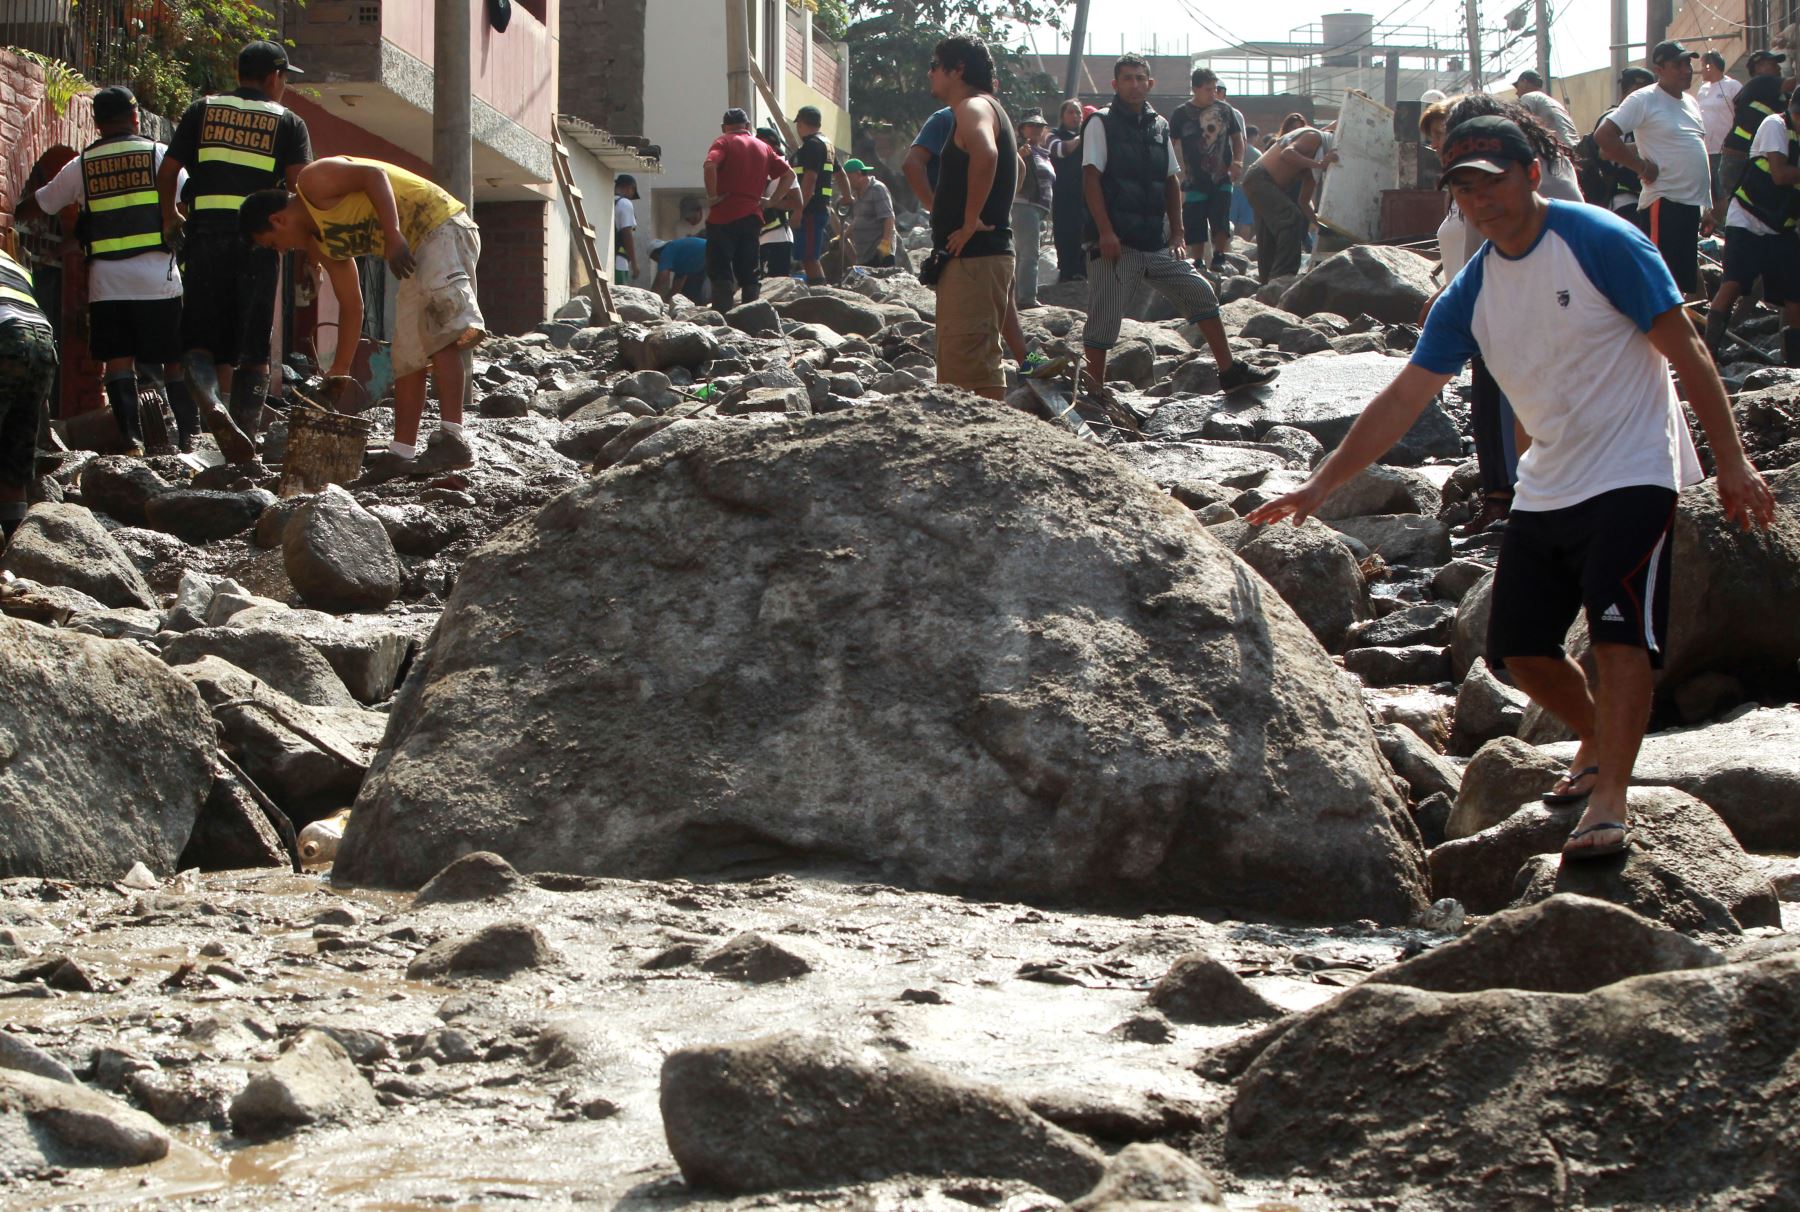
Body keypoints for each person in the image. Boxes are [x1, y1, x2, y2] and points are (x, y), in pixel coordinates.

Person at [1248, 115, 1776, 861]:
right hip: (1549, 480)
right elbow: (1406, 396)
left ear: (1532, 175)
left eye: (1492, 182)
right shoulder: (1472, 290)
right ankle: (1594, 732)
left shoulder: (1602, 241)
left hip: (1635, 469)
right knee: (1517, 652)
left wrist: (1731, 462)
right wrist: (1318, 486)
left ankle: (1610, 795)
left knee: (1621, 633)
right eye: (1464, 188)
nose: (1481, 201)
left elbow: (1687, 350)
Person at [239, 156, 485, 479]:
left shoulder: (312, 182)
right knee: (407, 356)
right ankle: (401, 453)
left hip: (440, 225)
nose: (282, 251)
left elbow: (374, 175)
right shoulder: (324, 244)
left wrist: (393, 233)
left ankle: (454, 437)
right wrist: (339, 371)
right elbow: (352, 305)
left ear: (278, 220)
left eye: (274, 243)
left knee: (440, 332)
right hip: (415, 248)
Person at [1081, 55, 1277, 395]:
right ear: (1115, 85)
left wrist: (1178, 230)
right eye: (1127, 78)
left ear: (1150, 83)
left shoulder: (1159, 124)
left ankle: (1229, 370)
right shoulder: (1101, 122)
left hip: (1155, 241)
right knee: (1103, 319)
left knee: (1199, 292)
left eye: (1140, 78)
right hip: (1115, 243)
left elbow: (1171, 179)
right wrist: (1104, 231)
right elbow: (1090, 177)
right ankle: (1092, 392)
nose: (1135, 84)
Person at [18, 87, 197, 454]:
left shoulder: (82, 164)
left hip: (107, 283)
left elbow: (42, 203)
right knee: (174, 362)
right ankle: (188, 438)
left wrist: (12, 213)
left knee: (119, 364)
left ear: (97, 124)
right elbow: (186, 196)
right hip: (158, 281)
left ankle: (131, 439)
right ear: (135, 117)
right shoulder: (157, 155)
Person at [157, 39, 311, 461]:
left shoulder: (201, 110)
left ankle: (210, 406)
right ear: (274, 76)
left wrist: (171, 217)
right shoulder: (288, 122)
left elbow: (169, 172)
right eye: (284, 79)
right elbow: (301, 189)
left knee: (200, 343)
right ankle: (246, 437)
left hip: (205, 236)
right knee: (254, 351)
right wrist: (311, 250)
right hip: (261, 240)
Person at [1421, 97, 1518, 535]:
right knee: (1486, 403)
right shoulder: (1461, 185)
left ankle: (1513, 500)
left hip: (1491, 307)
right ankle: (1503, 498)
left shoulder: (1595, 240)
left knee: (1501, 402)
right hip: (1474, 303)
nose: (1441, 146)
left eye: (1443, 133)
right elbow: (1407, 396)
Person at [905, 100, 1042, 375]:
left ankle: (1026, 360)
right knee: (997, 300)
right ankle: (1026, 360)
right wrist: (991, 209)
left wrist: (945, 211)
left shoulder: (957, 116)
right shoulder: (975, 116)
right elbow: (1017, 167)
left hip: (972, 230)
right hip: (977, 234)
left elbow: (912, 164)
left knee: (999, 301)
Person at [926, 36, 1016, 400]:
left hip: (974, 258)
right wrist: (993, 208)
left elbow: (986, 152)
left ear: (958, 69)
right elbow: (1018, 167)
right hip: (982, 258)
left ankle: (984, 451)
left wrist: (970, 220)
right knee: (972, 364)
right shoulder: (993, 108)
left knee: (971, 369)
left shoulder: (972, 107)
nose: (929, 73)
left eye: (935, 65)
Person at [1597, 41, 1714, 298]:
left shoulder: (1691, 103)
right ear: (1659, 69)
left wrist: (1706, 205)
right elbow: (1604, 136)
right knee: (1660, 283)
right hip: (1664, 202)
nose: (1687, 70)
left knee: (1681, 284)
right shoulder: (1644, 98)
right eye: (1678, 65)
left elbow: (1694, 153)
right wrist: (1640, 166)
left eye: (1688, 63)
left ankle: (1684, 335)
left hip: (1690, 206)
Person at [1705, 88, 1800, 363]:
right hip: (1748, 218)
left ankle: (1793, 367)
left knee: (1795, 294)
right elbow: (1780, 174)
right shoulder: (1775, 125)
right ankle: (1708, 354)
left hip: (1780, 226)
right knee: (1734, 283)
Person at [703, 107, 795, 310]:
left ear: (723, 127)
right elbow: (789, 175)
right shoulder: (763, 147)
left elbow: (710, 165)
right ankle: (750, 315)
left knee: (720, 267)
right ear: (748, 126)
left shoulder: (723, 141)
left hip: (722, 216)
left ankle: (722, 315)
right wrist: (771, 201)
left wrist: (712, 197)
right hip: (752, 216)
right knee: (749, 268)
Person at [0, 246, 56, 546]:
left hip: (4, 336)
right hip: (43, 341)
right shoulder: (9, 259)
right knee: (15, 456)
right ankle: (16, 549)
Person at [1241, 119, 1337, 282]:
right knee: (1291, 218)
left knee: (1268, 233)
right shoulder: (1314, 137)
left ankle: (1267, 283)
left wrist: (1320, 225)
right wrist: (1320, 164)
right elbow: (1287, 153)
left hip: (1265, 185)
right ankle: (1283, 276)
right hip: (1260, 179)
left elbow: (1304, 201)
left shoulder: (1316, 162)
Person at [1169, 67, 1243, 272]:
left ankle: (1219, 256)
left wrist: (1238, 162)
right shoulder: (1181, 114)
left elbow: (1237, 139)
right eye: (1208, 89)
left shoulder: (1225, 111)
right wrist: (1173, 171)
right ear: (1195, 89)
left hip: (1221, 175)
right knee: (1195, 219)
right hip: (1194, 178)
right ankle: (1198, 260)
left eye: (1214, 89)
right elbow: (1170, 143)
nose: (1213, 93)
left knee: (1220, 217)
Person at [1714, 49, 1787, 229]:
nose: (1778, 68)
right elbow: (1794, 83)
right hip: (1738, 158)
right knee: (1736, 208)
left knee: (1752, 209)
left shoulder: (1774, 95)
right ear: (1759, 67)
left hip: (1750, 157)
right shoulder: (1760, 83)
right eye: (1773, 63)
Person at [1578, 68, 1656, 227]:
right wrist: (1649, 145)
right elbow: (1605, 152)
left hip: (1638, 199)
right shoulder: (1615, 118)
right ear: (1634, 90)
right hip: (1622, 201)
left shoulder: (1639, 119)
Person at [793, 105, 842, 284]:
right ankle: (818, 291)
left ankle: (821, 292)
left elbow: (810, 180)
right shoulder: (826, 145)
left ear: (802, 124)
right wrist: (847, 196)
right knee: (808, 256)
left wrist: (798, 210)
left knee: (810, 257)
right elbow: (840, 173)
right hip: (818, 208)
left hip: (811, 210)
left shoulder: (811, 146)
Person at [1011, 112, 1054, 307]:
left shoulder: (1042, 153)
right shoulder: (1019, 149)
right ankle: (1027, 298)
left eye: (1040, 126)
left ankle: (1017, 297)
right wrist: (1019, 156)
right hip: (1023, 204)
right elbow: (1006, 169)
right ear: (1022, 129)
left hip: (1037, 208)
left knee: (1023, 253)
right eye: (1031, 126)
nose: (1036, 129)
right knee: (1029, 253)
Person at [1049, 99, 1089, 282]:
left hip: (1085, 194)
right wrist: (1082, 137)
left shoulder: (1088, 137)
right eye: (1071, 112)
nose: (1075, 116)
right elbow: (1059, 150)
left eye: (1078, 113)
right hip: (1063, 193)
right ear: (1062, 116)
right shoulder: (1053, 135)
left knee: (1084, 232)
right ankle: (1066, 270)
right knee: (1065, 231)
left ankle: (1081, 270)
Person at [1697, 50, 1743, 204]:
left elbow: (1742, 115)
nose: (1701, 70)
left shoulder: (1732, 86)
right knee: (1713, 194)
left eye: (1703, 66)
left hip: (1726, 150)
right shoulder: (1702, 90)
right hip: (1707, 150)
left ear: (1711, 66)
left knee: (1726, 191)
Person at [757, 129, 800, 280]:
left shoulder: (783, 168)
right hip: (756, 237)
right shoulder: (754, 165)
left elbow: (796, 202)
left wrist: (770, 203)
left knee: (776, 288)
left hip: (777, 237)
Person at [843, 158, 896, 267]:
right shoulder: (858, 193)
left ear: (858, 174)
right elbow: (859, 219)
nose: (846, 182)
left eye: (848, 178)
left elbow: (889, 217)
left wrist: (885, 243)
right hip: (864, 253)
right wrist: (843, 236)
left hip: (878, 252)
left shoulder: (877, 189)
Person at [1511, 70, 1578, 151]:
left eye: (1517, 86)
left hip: (1560, 151)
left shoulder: (1528, 97)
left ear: (1524, 82)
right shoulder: (1553, 101)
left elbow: (1517, 125)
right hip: (1575, 149)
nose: (1516, 92)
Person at [649, 236, 709, 302]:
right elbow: (676, 289)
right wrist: (666, 302)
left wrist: (650, 298)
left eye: (655, 258)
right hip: (708, 257)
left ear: (656, 253)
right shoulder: (680, 266)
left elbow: (661, 280)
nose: (658, 262)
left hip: (710, 252)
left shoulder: (667, 250)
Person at [1230, 124, 1261, 240]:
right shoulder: (1257, 153)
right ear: (1254, 136)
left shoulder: (1235, 150)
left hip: (1233, 187)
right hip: (1248, 189)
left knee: (1230, 220)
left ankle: (1230, 244)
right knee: (1246, 221)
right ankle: (1243, 245)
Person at [614, 174, 641, 286]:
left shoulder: (607, 199)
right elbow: (627, 234)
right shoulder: (625, 203)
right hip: (619, 260)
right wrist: (634, 264)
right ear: (630, 188)